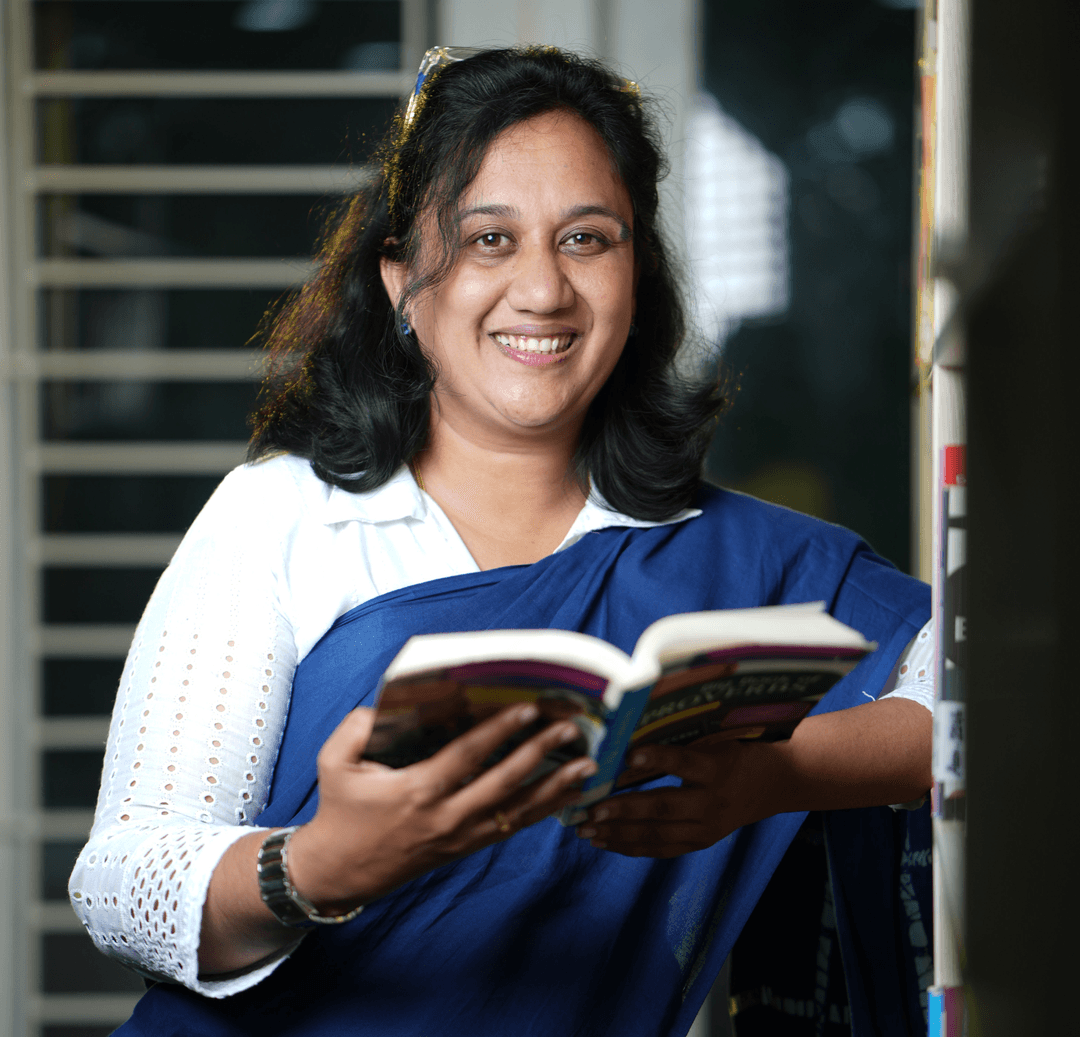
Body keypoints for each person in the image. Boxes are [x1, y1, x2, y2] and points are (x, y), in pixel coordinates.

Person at [70, 46, 934, 1036]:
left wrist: (775, 775)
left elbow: (986, 705)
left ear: (637, 272)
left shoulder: (746, 557)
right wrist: (318, 864)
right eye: (489, 238)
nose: (542, 289)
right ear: (401, 280)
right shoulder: (285, 516)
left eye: (586, 238)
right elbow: (119, 879)